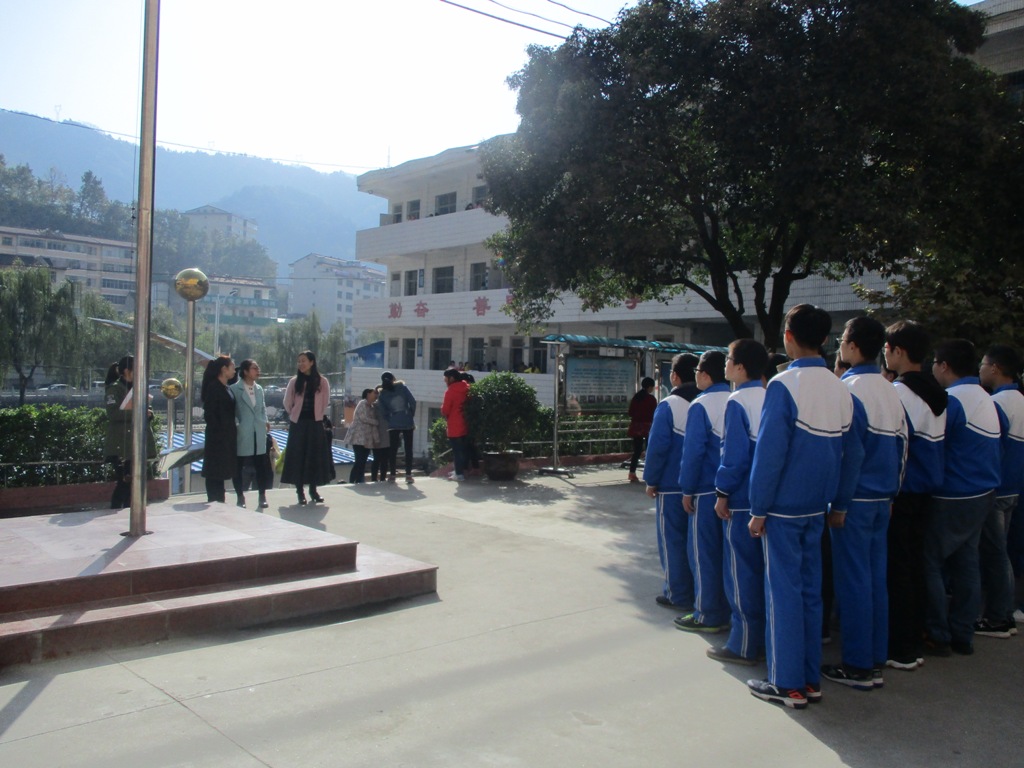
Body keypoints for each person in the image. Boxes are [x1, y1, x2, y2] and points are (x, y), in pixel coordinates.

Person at [746, 304, 860, 710]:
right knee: (811, 593)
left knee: (783, 594)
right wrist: (840, 502)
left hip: (782, 508)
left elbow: (769, 454)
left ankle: (786, 683)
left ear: (788, 336)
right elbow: (852, 454)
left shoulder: (783, 384)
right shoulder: (840, 387)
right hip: (817, 507)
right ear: (826, 340)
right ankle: (810, 680)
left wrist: (758, 508)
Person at [823, 316, 907, 691]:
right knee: (874, 579)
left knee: (853, 581)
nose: (840, 345)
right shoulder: (890, 389)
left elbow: (848, 453)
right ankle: (873, 658)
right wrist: (891, 494)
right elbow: (902, 447)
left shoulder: (848, 389)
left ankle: (857, 666)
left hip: (854, 500)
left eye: (843, 340)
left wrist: (839, 504)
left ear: (854, 346)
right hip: (882, 498)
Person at [926, 339, 1001, 656]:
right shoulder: (983, 397)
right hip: (983, 493)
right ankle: (962, 633)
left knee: (929, 561)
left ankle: (937, 633)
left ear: (944, 366)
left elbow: (935, 444)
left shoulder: (953, 400)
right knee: (967, 563)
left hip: (953, 494)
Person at [883, 320, 947, 671]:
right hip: (928, 489)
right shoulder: (936, 391)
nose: (885, 353)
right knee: (917, 565)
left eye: (887, 348)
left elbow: (897, 448)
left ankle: (901, 647)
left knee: (898, 570)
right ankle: (915, 639)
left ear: (899, 351)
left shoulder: (900, 392)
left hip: (904, 491)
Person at [709, 338, 769, 666]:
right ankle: (765, 640)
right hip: (768, 501)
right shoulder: (772, 394)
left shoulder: (738, 401)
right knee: (764, 573)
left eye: (729, 359)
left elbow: (733, 456)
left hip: (742, 499)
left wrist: (722, 492)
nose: (726, 365)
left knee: (741, 572)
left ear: (741, 367)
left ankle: (743, 643)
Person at [676, 350, 731, 634]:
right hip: (731, 492)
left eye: (698, 370)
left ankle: (706, 613)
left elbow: (693, 453)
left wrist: (687, 489)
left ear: (706, 375)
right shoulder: (736, 399)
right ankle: (729, 611)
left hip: (706, 491)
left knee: (703, 554)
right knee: (727, 556)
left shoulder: (701, 405)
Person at [976, 344, 1024, 637]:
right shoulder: (1019, 400)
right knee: (1000, 551)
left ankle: (998, 617)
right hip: (1014, 488)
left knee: (996, 554)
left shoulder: (997, 403)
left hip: (997, 488)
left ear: (995, 368)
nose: (980, 369)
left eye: (983, 364)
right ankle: (1002, 614)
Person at [644, 354, 696, 611]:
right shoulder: (710, 401)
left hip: (671, 486)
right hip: (702, 487)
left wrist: (651, 480)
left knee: (672, 541)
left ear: (674, 376)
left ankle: (678, 593)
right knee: (698, 544)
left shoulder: (669, 405)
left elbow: (657, 448)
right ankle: (701, 593)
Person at [103, 355, 155, 509]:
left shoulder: (138, 388)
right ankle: (116, 509)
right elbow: (113, 414)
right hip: (122, 445)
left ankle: (129, 510)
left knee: (135, 484)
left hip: (136, 443)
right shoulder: (114, 389)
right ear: (126, 371)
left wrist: (148, 413)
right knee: (124, 483)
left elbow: (144, 409)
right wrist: (138, 412)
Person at [282, 350, 333, 504]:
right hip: (298, 424)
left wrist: (317, 414)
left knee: (314, 457)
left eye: (304, 361)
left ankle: (313, 490)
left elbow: (325, 401)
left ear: (312, 362)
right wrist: (294, 413)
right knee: (298, 456)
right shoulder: (294, 381)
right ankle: (300, 491)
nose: (301, 364)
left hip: (315, 423)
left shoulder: (322, 381)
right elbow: (287, 402)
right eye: (299, 361)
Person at [231, 359, 272, 509]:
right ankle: (240, 496)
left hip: (258, 430)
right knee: (239, 465)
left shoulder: (259, 389)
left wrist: (265, 421)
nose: (257, 371)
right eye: (254, 368)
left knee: (261, 465)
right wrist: (238, 424)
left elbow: (262, 407)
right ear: (246, 371)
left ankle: (262, 495)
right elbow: (232, 410)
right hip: (243, 430)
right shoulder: (235, 389)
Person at [201, 355, 238, 504]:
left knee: (222, 468)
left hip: (227, 433)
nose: (234, 370)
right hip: (217, 435)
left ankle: (220, 497)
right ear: (224, 369)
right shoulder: (213, 387)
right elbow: (209, 413)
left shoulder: (226, 387)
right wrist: (219, 430)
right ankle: (214, 497)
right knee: (214, 468)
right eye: (232, 367)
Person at [378, 371, 417, 483]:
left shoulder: (382, 393)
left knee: (393, 450)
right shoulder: (402, 387)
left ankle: (392, 475)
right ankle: (408, 475)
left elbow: (382, 411)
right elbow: (413, 402)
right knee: (408, 449)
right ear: (393, 379)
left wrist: (390, 418)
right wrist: (410, 414)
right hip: (407, 420)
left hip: (393, 422)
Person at [441, 368, 471, 481]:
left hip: (454, 424)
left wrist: (443, 411)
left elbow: (445, 410)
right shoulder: (467, 388)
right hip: (466, 423)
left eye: (446, 379)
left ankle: (459, 474)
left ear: (452, 378)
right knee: (464, 449)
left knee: (457, 451)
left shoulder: (450, 391)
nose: (445, 381)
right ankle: (463, 471)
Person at [626, 377, 657, 483]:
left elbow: (630, 412)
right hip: (648, 427)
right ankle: (649, 473)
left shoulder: (636, 397)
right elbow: (655, 413)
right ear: (649, 387)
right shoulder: (651, 399)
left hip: (636, 427)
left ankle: (632, 473)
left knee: (637, 451)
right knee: (649, 450)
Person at [345, 388, 379, 484]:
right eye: (374, 393)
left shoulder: (372, 407)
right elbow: (363, 418)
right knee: (359, 460)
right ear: (368, 394)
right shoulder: (362, 403)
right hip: (358, 437)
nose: (376, 395)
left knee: (363, 461)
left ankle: (359, 480)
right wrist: (376, 422)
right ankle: (353, 480)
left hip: (367, 439)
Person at [369, 385, 391, 482]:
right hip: (385, 436)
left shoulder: (373, 406)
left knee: (377, 459)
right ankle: (382, 478)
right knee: (384, 460)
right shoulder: (388, 405)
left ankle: (374, 478)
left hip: (377, 436)